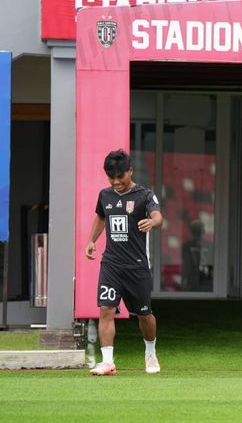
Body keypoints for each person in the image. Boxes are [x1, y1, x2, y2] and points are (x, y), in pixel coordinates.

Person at [85, 149, 163, 376]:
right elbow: (101, 216)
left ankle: (150, 353)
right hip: (111, 264)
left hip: (137, 265)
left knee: (144, 314)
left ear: (130, 171)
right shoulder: (105, 195)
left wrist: (152, 222)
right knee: (106, 309)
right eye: (112, 178)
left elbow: (158, 216)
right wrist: (91, 240)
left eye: (120, 177)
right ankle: (107, 361)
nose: (116, 182)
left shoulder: (145, 195)